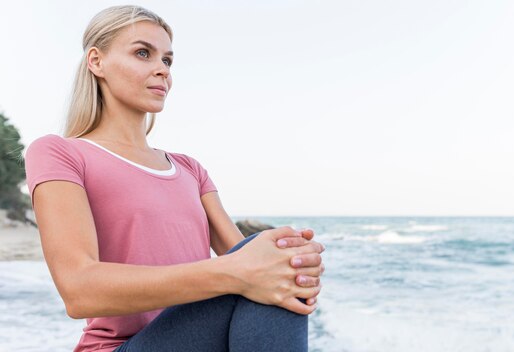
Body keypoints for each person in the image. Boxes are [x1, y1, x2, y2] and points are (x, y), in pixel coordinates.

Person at [23, 5, 325, 352]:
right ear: (96, 61)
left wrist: (298, 265)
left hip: (200, 339)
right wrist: (240, 272)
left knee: (274, 269)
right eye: (142, 53)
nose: (161, 70)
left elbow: (248, 258)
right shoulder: (60, 153)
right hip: (121, 347)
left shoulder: (189, 169)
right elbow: (79, 290)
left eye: (167, 60)